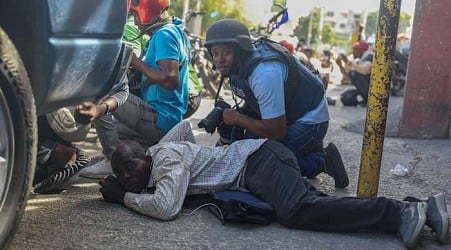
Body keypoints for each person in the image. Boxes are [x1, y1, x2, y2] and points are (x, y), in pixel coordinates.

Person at [99, 121, 450, 248]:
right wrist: (120, 177)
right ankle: (421, 207)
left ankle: (398, 213)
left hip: (260, 160)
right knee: (315, 206)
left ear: (143, 159)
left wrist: (124, 197)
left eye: (129, 172)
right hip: (259, 165)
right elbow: (184, 130)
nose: (128, 179)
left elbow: (165, 207)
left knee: (297, 210)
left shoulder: (166, 160)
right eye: (122, 175)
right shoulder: (161, 149)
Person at [201, 19, 349, 188]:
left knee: (256, 166)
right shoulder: (241, 65)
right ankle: (306, 150)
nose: (219, 59)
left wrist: (236, 119)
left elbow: (276, 131)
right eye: (215, 53)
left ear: (240, 50)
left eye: (226, 52)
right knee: (245, 148)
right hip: (289, 114)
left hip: (310, 120)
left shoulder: (263, 73)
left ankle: (321, 161)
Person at [79, 0, 190, 179]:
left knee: (102, 94)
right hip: (166, 119)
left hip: (159, 118)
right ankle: (120, 156)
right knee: (114, 127)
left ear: (147, 9)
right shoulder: (174, 31)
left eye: (135, 14)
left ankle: (111, 159)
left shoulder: (165, 34)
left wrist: (135, 61)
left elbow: (170, 79)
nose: (133, 19)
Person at [335, 40, 373, 106]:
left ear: (361, 50)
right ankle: (362, 100)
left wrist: (347, 61)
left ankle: (368, 100)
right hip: (365, 89)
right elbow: (348, 77)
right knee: (346, 97)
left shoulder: (370, 57)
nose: (353, 52)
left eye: (355, 49)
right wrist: (340, 66)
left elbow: (364, 71)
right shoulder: (360, 60)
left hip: (371, 90)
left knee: (355, 73)